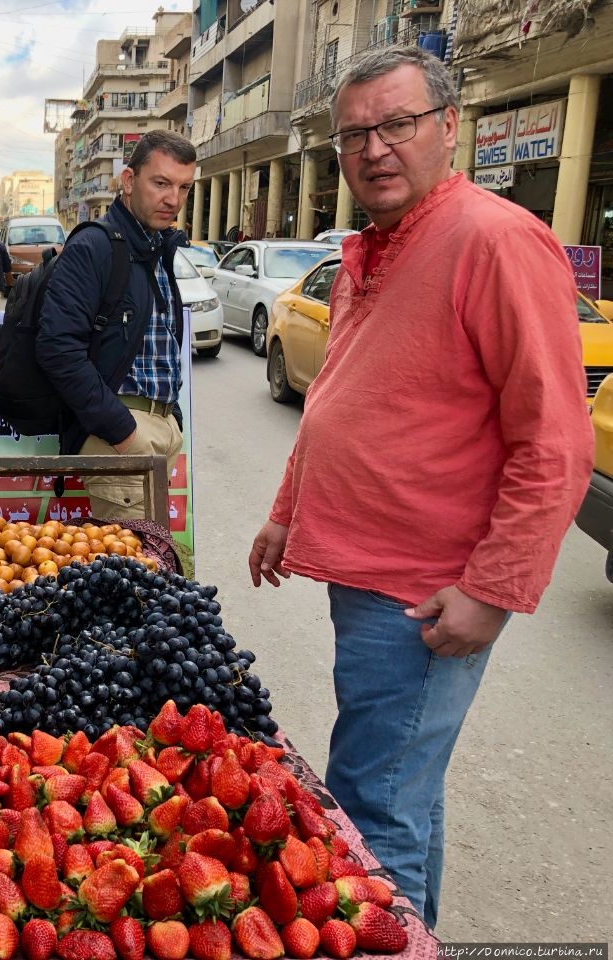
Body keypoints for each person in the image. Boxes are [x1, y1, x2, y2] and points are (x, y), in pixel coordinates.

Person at [247, 47, 593, 929]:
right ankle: (420, 932)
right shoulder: (379, 245)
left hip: (425, 594)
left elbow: (554, 441)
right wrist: (288, 514)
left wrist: (491, 589)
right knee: (405, 790)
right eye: (355, 133)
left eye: (397, 124)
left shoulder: (493, 238)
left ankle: (388, 939)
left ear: (448, 126)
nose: (375, 148)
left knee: (373, 807)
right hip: (370, 577)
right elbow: (338, 400)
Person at [36, 129, 195, 519]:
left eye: (184, 187)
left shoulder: (155, 247)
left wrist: (170, 422)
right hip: (122, 432)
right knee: (136, 572)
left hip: (158, 431)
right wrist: (124, 434)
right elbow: (57, 348)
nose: (173, 199)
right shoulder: (95, 247)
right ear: (128, 181)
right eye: (160, 183)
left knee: (151, 566)